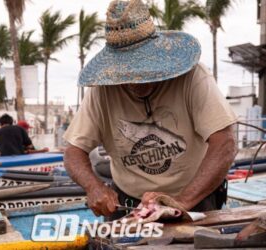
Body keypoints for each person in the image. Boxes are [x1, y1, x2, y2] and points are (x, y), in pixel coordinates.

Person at [63, 0, 237, 220]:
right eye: (128, 73)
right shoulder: (102, 92)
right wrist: (93, 186)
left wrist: (181, 203)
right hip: (129, 201)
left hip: (194, 197)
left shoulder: (193, 77)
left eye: (144, 71)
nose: (136, 82)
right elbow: (73, 152)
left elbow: (225, 144)